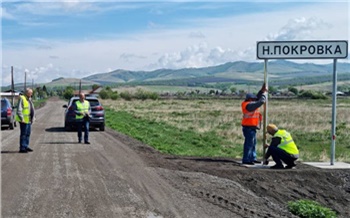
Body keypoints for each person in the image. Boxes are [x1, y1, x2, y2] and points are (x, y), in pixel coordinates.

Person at [241, 83, 267, 165]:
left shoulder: (250, 103)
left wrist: (261, 91)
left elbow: (257, 99)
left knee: (253, 143)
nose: (254, 99)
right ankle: (246, 159)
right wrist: (264, 95)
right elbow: (260, 101)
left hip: (252, 127)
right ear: (250, 99)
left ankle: (252, 157)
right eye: (253, 98)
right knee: (249, 144)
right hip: (248, 127)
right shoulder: (249, 105)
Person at [16, 88, 35, 153]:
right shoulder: (22, 98)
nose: (31, 94)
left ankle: (26, 146)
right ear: (27, 93)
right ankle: (22, 148)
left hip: (29, 120)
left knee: (27, 134)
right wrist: (22, 118)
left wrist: (33, 118)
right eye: (30, 93)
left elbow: (31, 109)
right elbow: (19, 110)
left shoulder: (29, 99)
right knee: (23, 134)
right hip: (24, 120)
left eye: (31, 93)